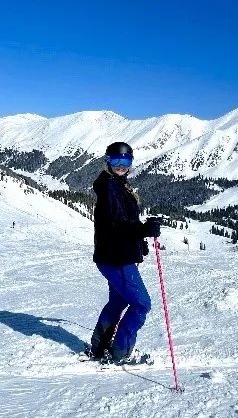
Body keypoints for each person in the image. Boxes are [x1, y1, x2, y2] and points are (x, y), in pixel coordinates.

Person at [89, 141, 161, 365]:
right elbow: (117, 225)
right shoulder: (110, 187)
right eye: (116, 161)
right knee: (142, 304)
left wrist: (139, 241)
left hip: (115, 254)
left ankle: (100, 347)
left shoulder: (117, 183)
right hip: (116, 259)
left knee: (118, 302)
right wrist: (143, 230)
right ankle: (121, 352)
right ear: (107, 161)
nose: (121, 165)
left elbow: (123, 222)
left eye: (126, 161)